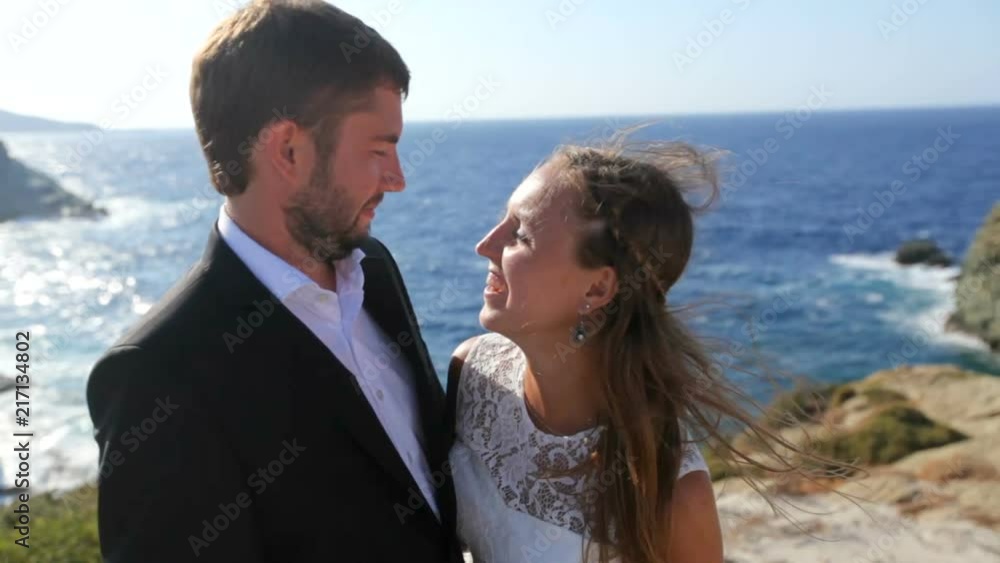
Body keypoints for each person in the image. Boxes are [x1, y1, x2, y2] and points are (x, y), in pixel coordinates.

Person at [86, 1, 462, 561]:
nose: (398, 179)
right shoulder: (157, 374)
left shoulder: (374, 268)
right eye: (379, 150)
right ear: (288, 150)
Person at [447, 140, 733, 562]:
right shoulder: (472, 374)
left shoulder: (673, 493)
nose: (485, 245)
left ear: (597, 288)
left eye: (520, 234)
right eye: (502, 221)